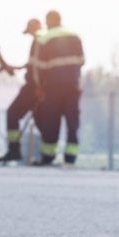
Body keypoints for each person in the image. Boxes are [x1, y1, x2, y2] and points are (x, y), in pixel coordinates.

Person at [33, 11, 85, 165]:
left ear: (48, 21)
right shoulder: (75, 35)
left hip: (53, 87)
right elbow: (82, 60)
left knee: (51, 121)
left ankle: (48, 156)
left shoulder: (43, 38)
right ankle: (70, 157)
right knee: (72, 121)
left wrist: (40, 87)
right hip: (72, 86)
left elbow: (39, 67)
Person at [0, 18, 42, 163]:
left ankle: (14, 150)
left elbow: (36, 67)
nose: (29, 34)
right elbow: (31, 65)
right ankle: (45, 155)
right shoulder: (39, 41)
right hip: (37, 86)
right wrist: (14, 68)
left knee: (13, 113)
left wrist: (39, 86)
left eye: (30, 31)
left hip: (34, 87)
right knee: (41, 120)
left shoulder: (39, 40)